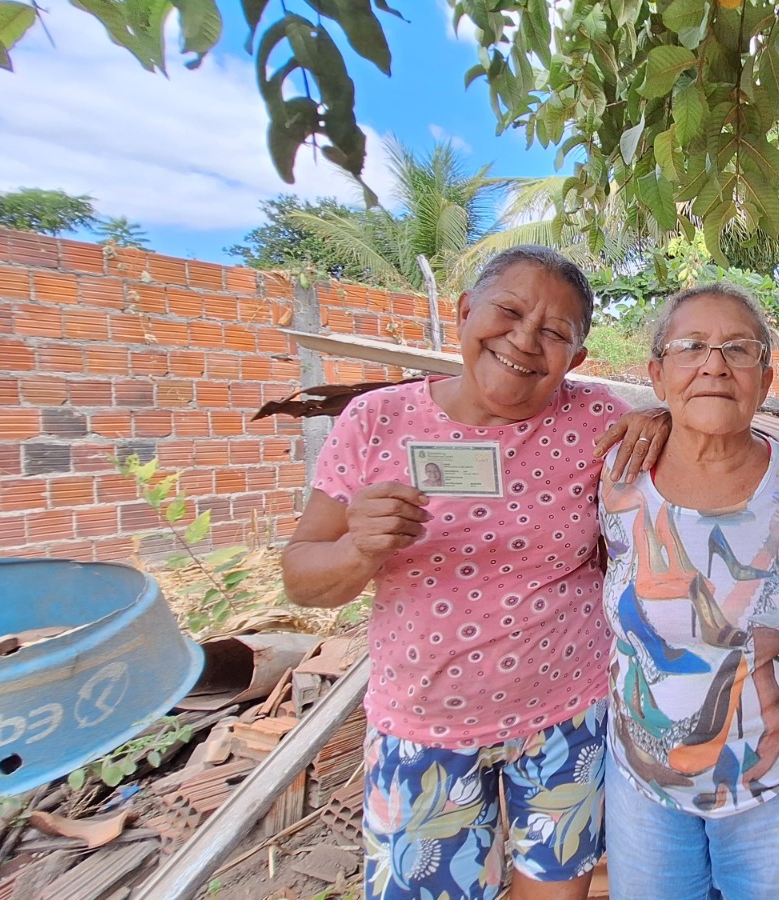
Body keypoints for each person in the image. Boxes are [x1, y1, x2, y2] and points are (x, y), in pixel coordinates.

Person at [281, 246, 670, 900]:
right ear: (464, 313)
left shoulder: (598, 422)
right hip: (423, 728)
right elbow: (300, 576)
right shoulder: (377, 423)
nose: (523, 340)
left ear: (574, 360)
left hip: (568, 718)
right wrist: (359, 550)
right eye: (510, 312)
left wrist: (665, 420)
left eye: (554, 333)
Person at [599, 283, 779, 900]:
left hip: (774, 787)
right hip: (642, 790)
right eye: (691, 347)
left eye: (738, 348)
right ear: (656, 372)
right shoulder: (615, 479)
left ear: (765, 375)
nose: (714, 364)